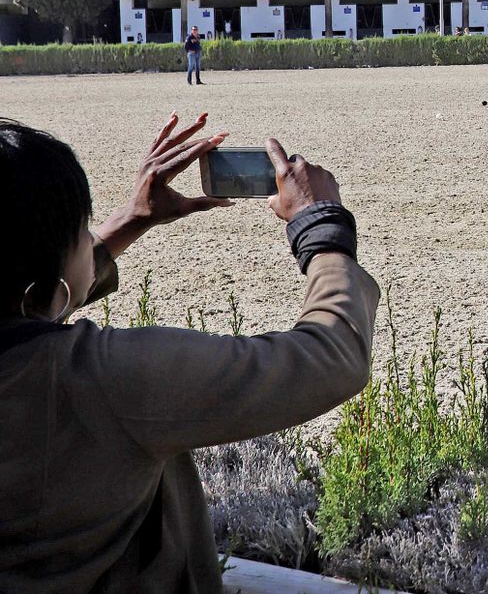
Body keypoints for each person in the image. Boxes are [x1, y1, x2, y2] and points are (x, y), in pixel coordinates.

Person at [0, 114, 380, 593]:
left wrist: (131, 219)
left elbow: (29, 307)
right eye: (82, 231)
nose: (91, 238)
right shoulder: (101, 379)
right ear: (46, 287)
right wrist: (321, 229)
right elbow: (329, 356)